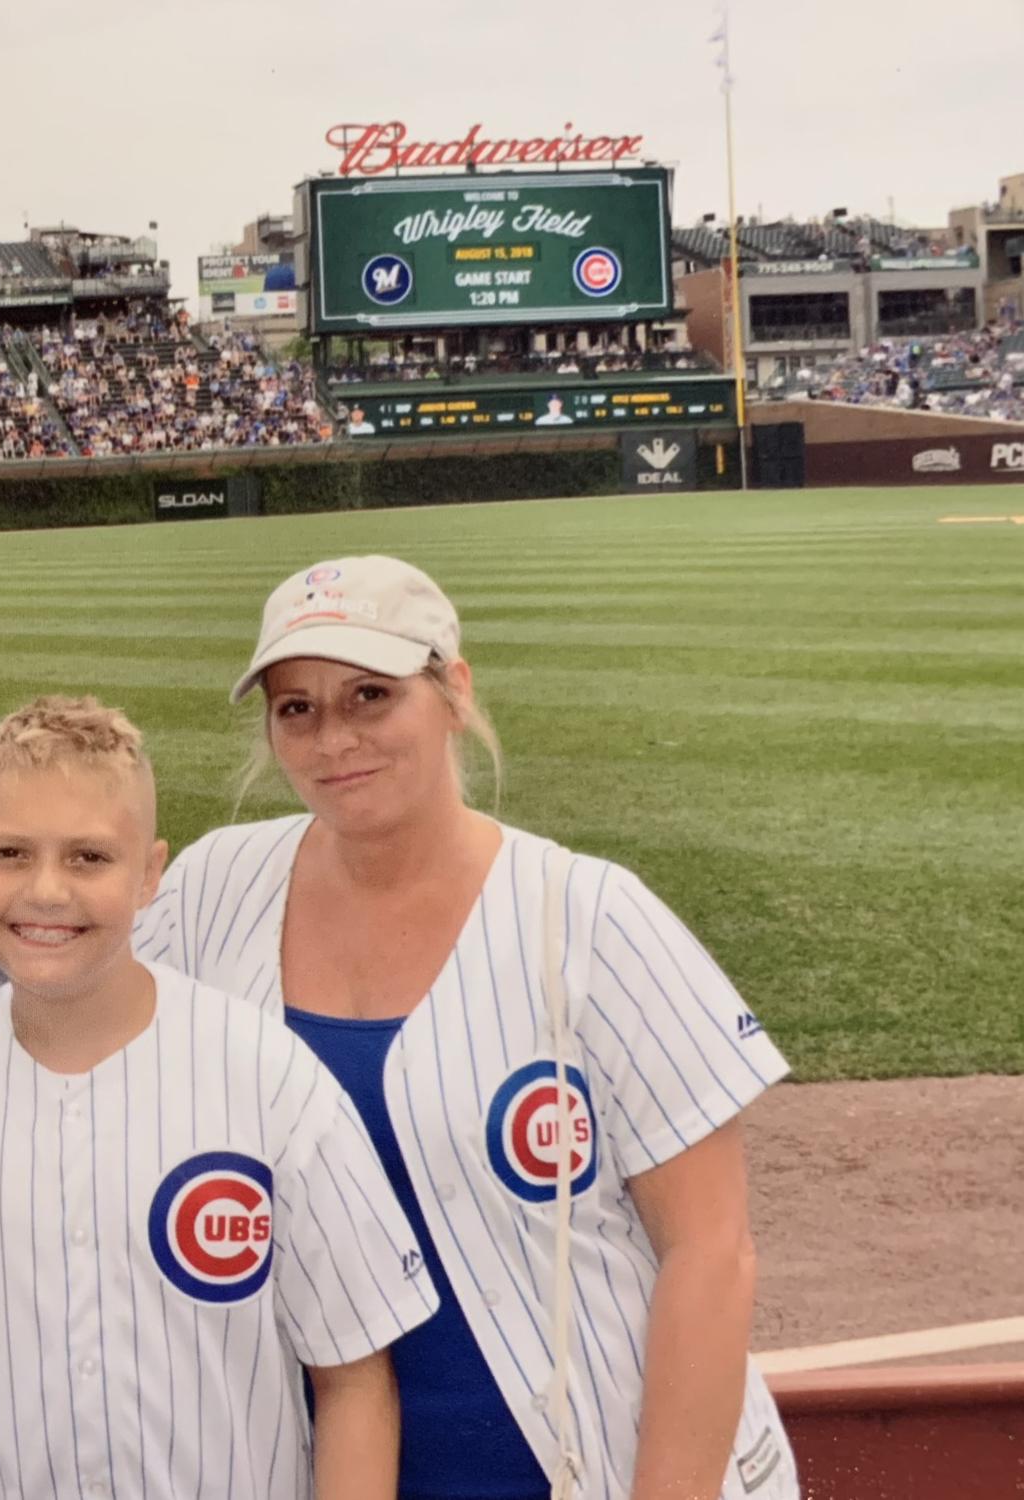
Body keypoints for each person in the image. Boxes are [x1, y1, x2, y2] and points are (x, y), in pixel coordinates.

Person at [135, 557, 797, 1500]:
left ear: (453, 690)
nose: (334, 739)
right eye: (298, 708)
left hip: (600, 1467)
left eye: (372, 694)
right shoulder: (213, 889)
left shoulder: (591, 916)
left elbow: (711, 1251)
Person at [0, 696, 437, 1500]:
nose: (45, 891)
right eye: (8, 853)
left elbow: (353, 1380)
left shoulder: (264, 1073)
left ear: (149, 875)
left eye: (88, 859)